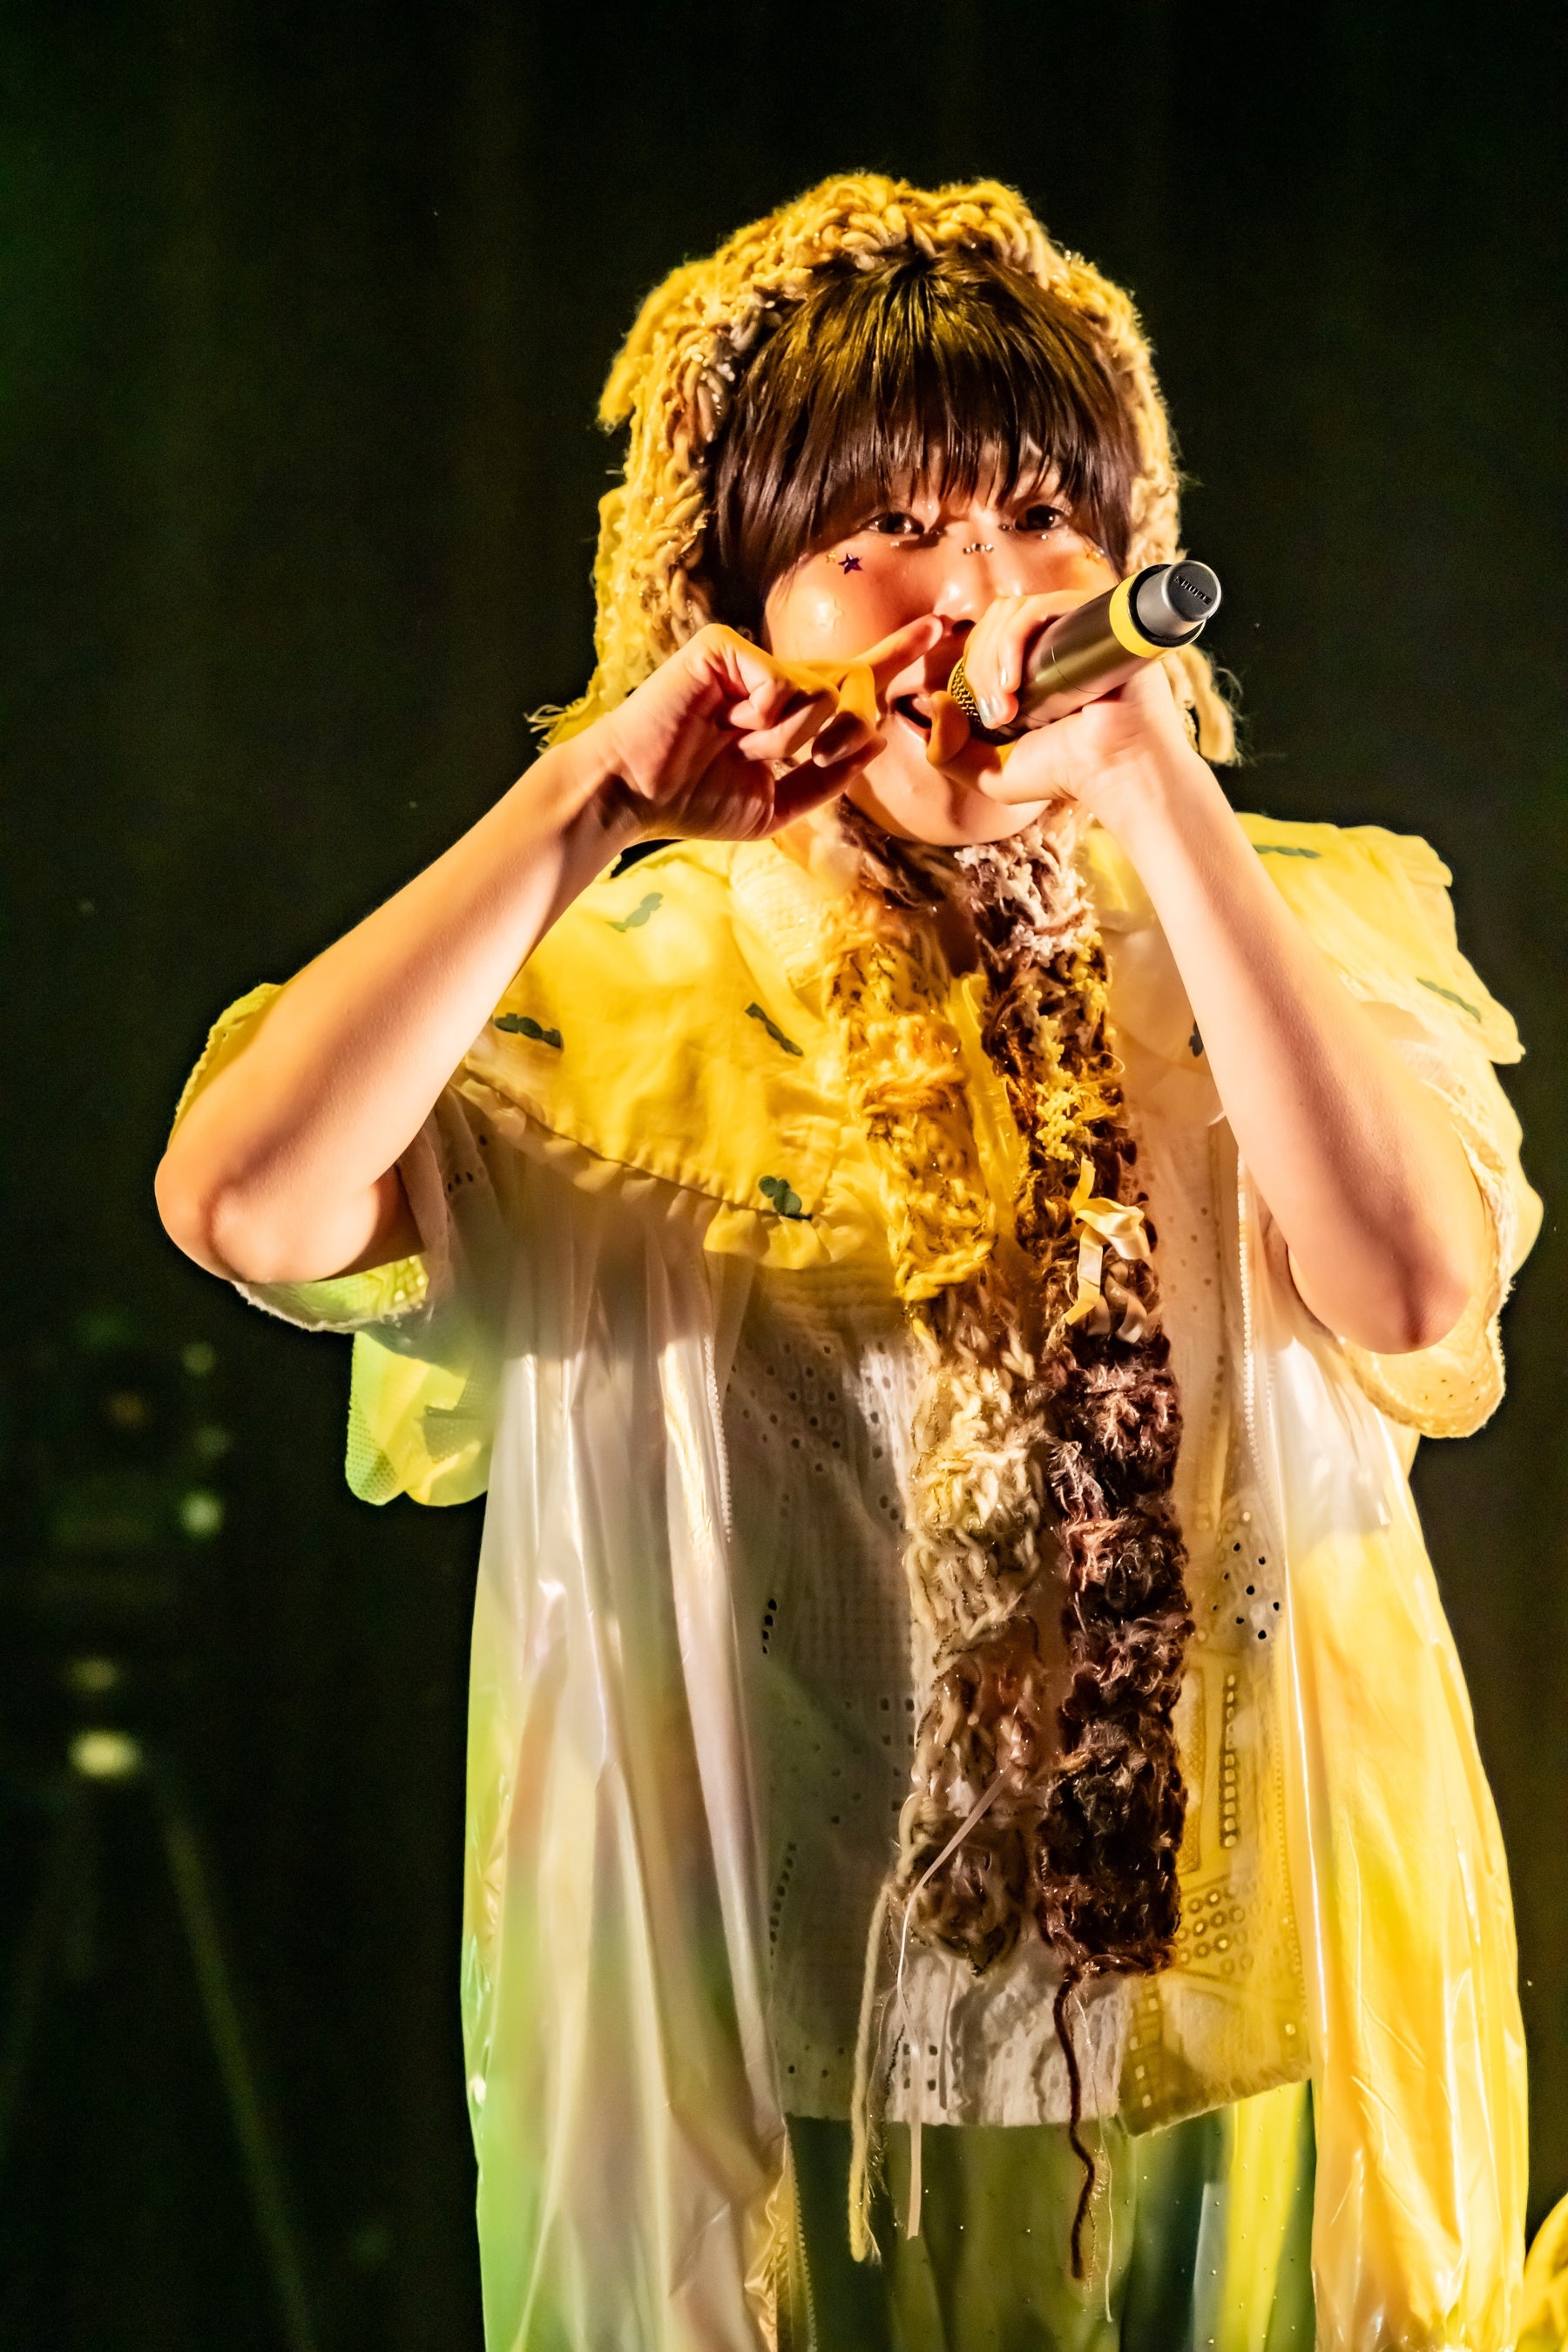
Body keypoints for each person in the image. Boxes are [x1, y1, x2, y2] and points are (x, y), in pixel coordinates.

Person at [156, 175, 1545, 2352]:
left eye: (1040, 519)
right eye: (885, 534)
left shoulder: (1297, 934)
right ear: (737, 606)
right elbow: (248, 1206)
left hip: (1233, 2052)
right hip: (789, 2077)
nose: (976, 595)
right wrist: (588, 808)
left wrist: (1163, 803)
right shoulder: (622, 1001)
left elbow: (1409, 1295)